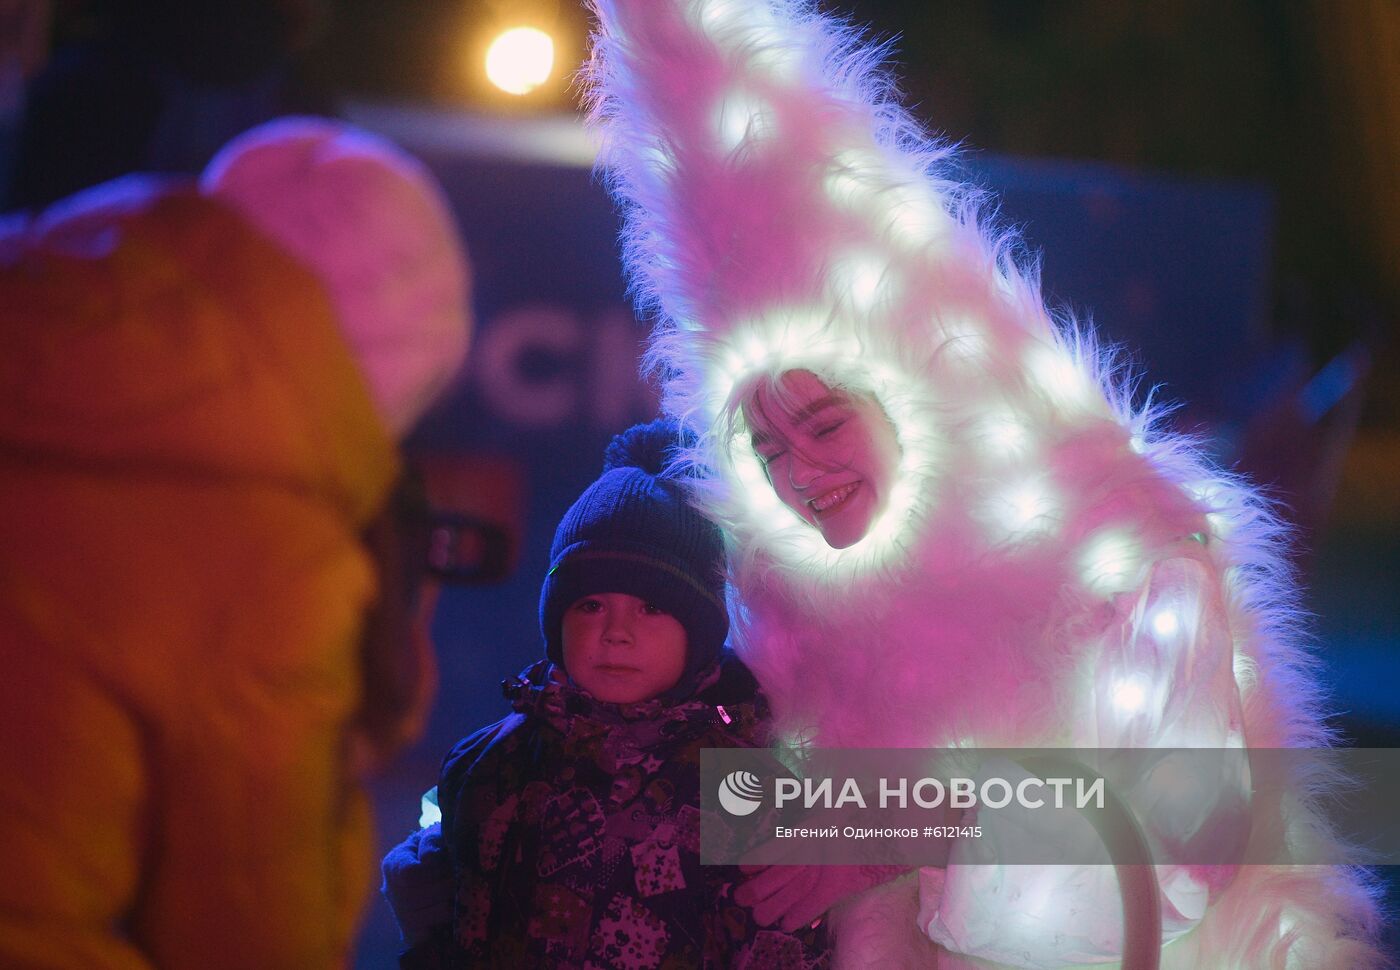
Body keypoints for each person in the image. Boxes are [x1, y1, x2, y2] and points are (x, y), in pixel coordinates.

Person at [582, 0, 1383, 967]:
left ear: (918, 387)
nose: (800, 472)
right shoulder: (789, 611)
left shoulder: (1122, 548)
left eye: (827, 422)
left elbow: (1178, 850)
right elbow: (738, 825)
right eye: (768, 449)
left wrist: (889, 830)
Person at [0, 116, 470, 968]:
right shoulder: (273, 565)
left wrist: (793, 831)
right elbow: (250, 938)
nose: (793, 468)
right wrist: (356, 730)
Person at [381, 420, 829, 968]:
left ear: (702, 630)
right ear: (555, 621)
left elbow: (955, 812)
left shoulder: (749, 772)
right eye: (590, 605)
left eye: (652, 607)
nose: (617, 631)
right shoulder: (485, 763)